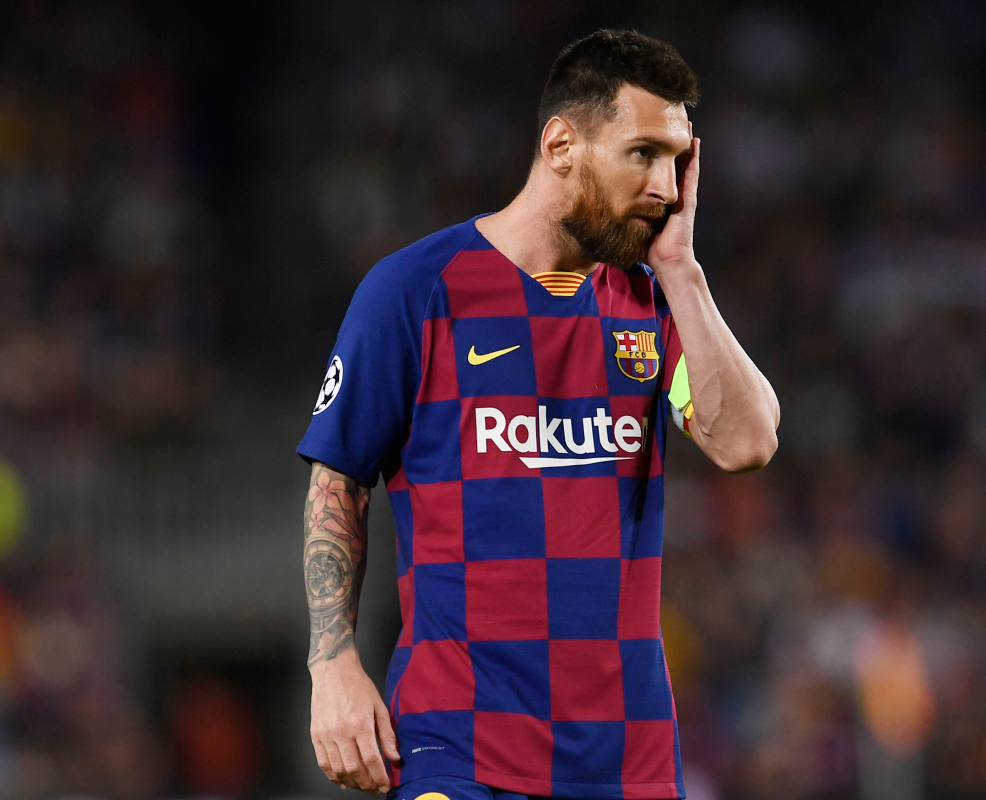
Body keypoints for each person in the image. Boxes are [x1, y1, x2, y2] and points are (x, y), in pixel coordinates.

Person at [297, 29, 779, 800]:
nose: (665, 187)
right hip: (457, 744)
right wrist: (332, 663)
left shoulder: (654, 304)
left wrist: (682, 271)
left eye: (678, 160)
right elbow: (339, 482)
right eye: (643, 154)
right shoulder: (415, 291)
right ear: (561, 146)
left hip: (628, 758)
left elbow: (747, 443)